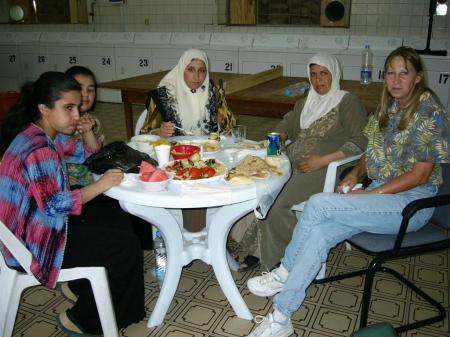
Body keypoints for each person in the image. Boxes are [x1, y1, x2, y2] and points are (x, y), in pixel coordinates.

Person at [244, 46, 449, 336]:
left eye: (404, 73)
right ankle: (281, 318)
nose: (396, 79)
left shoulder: (429, 111)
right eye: (390, 72)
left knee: (318, 204)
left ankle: (284, 270)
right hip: (379, 192)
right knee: (317, 234)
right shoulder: (388, 107)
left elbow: (421, 175)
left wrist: (369, 195)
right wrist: (353, 175)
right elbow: (369, 151)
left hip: (411, 205)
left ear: (418, 77)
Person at [0, 72, 145, 335]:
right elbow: (56, 205)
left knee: (119, 219)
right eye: (69, 108)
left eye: (77, 107)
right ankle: (82, 319)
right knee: (125, 245)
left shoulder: (43, 134)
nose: (77, 115)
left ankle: (81, 285)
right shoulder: (38, 149)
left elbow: (88, 155)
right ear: (44, 108)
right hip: (33, 243)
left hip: (35, 226)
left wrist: (87, 132)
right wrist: (101, 185)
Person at [236, 53, 368, 271]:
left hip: (328, 169)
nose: (318, 80)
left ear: (334, 74)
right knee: (255, 186)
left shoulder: (347, 101)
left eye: (324, 74)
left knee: (275, 200)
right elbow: (287, 124)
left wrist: (323, 160)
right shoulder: (306, 102)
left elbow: (361, 140)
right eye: (313, 74)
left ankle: (288, 261)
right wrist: (281, 137)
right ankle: (259, 250)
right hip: (294, 162)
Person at [65, 65, 153, 249]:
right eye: (80, 88)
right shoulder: (62, 124)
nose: (86, 94)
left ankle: (141, 250)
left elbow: (96, 156)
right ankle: (129, 249)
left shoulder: (91, 119)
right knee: (126, 205)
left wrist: (88, 131)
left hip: (94, 179)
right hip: (78, 189)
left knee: (137, 193)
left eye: (91, 89)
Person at [138, 48, 236, 137]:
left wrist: (221, 123)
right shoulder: (163, 96)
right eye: (191, 70)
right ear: (181, 69)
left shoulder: (214, 93)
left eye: (202, 71)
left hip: (209, 151)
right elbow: (143, 134)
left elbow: (231, 129)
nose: (196, 77)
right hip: (175, 153)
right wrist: (159, 132)